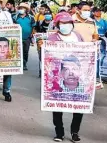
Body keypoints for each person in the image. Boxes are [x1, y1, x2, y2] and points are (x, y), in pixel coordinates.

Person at [37, 13, 85, 142]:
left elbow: (86, 55)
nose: (66, 25)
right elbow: (46, 58)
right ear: (58, 25)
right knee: (57, 105)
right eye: (62, 23)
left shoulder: (78, 36)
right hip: (58, 78)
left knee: (79, 105)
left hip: (77, 77)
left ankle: (75, 132)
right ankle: (59, 132)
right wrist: (42, 47)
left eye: (68, 22)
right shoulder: (52, 38)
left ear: (72, 24)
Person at [13, 2, 35, 71]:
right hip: (17, 37)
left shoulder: (31, 18)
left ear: (26, 9)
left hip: (27, 37)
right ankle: (18, 64)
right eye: (20, 8)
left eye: (22, 8)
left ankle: (24, 63)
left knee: (25, 51)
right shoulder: (15, 17)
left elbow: (33, 27)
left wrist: (31, 34)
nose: (21, 9)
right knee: (18, 51)